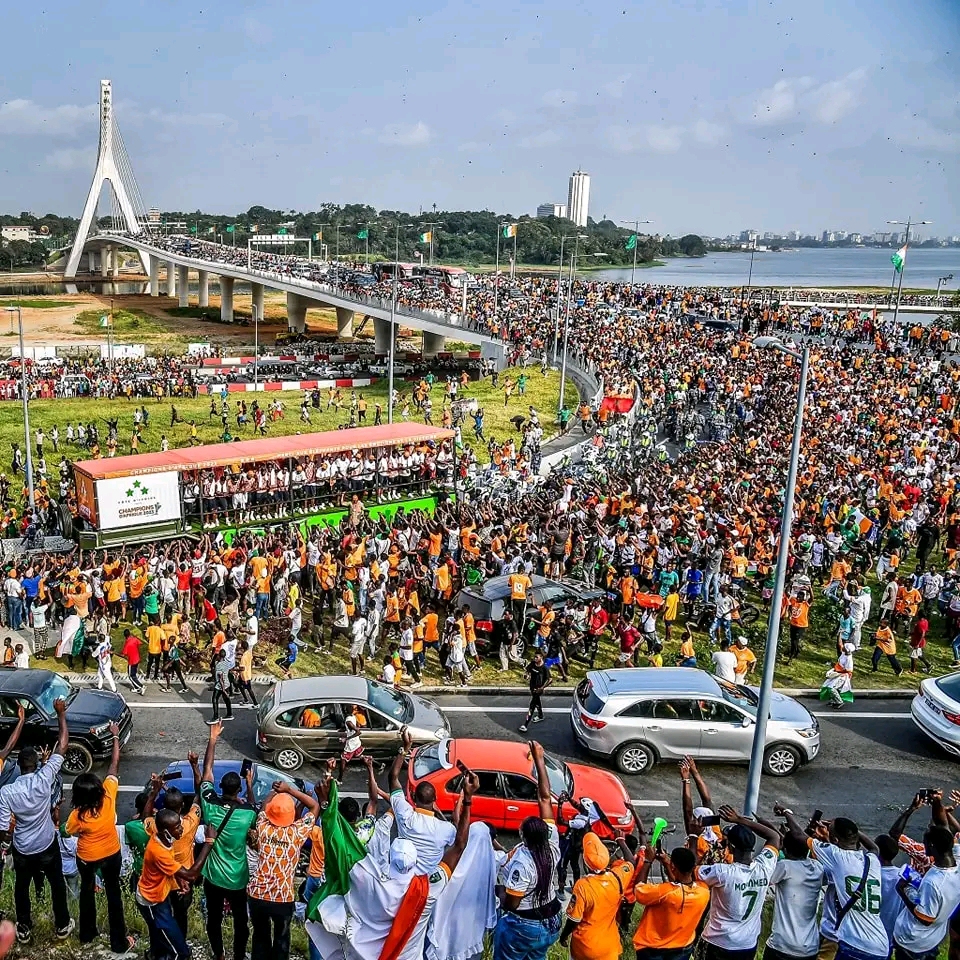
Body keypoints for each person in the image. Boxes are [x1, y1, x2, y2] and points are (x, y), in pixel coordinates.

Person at [306, 756, 476, 960]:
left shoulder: (368, 879)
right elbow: (459, 845)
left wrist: (326, 803)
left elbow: (340, 847)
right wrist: (467, 797)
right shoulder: (427, 891)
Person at [0, 698, 73, 945]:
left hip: (22, 848)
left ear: (20, 767)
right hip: (46, 844)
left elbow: (3, 831)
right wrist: (61, 714)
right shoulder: (44, 779)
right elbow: (62, 746)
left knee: (22, 888)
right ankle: (62, 924)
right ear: (35, 764)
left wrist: (7, 841)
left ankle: (23, 927)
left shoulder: (7, 792)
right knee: (57, 884)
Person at [781, 809, 890, 960]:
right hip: (880, 945)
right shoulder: (872, 861)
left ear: (836, 841)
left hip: (855, 944)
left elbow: (800, 836)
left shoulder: (837, 855)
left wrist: (786, 813)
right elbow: (874, 848)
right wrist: (852, 831)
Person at [65, 720, 133, 955]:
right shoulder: (108, 797)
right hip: (111, 854)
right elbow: (114, 764)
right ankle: (119, 942)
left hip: (86, 857)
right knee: (114, 894)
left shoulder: (77, 815)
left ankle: (87, 933)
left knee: (86, 891)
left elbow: (67, 831)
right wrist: (115, 737)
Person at [493, 741, 562, 960]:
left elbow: (512, 903)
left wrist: (497, 889)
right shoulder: (551, 842)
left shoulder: (522, 864)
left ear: (523, 836)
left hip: (525, 926)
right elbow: (544, 797)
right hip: (551, 921)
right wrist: (539, 759)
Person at [199, 720, 258, 960]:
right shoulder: (247, 814)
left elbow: (206, 772)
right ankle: (239, 955)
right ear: (239, 792)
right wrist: (250, 784)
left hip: (213, 876)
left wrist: (212, 739)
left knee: (213, 919)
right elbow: (254, 808)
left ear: (220, 787)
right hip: (238, 878)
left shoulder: (210, 804)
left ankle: (218, 955)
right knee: (241, 921)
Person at [695, 805, 782, 960]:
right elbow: (774, 836)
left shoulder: (722, 872)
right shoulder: (765, 866)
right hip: (747, 944)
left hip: (718, 942)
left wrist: (694, 837)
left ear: (731, 847)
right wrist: (740, 820)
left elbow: (691, 870)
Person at [248, 779, 320, 960]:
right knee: (282, 939)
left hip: (257, 894)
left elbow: (264, 807)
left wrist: (274, 791)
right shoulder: (296, 832)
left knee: (260, 937)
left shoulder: (263, 826)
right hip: (282, 897)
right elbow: (314, 807)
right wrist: (290, 790)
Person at [137, 808, 217, 960]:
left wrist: (179, 880)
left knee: (159, 933)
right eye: (177, 827)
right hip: (151, 901)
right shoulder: (158, 850)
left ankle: (155, 954)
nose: (182, 829)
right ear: (166, 831)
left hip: (160, 895)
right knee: (177, 948)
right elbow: (192, 874)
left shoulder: (166, 839)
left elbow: (171, 867)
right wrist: (209, 843)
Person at [143, 754, 202, 939]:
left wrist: (154, 792)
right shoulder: (190, 822)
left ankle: (164, 944)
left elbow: (145, 816)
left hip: (162, 883)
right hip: (181, 882)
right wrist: (194, 766)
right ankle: (180, 945)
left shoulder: (157, 827)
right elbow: (200, 795)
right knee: (181, 917)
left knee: (163, 918)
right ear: (182, 805)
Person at [388, 727, 457, 872]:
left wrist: (405, 748)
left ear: (413, 798)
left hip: (403, 876)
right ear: (435, 799)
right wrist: (440, 814)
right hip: (429, 884)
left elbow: (393, 777)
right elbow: (458, 842)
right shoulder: (445, 828)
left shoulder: (405, 814)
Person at [559, 831, 635, 960]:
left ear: (585, 861)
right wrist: (620, 840)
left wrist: (564, 936)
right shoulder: (617, 878)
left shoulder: (582, 886)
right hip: (609, 948)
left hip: (584, 948)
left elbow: (574, 920)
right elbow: (631, 861)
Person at [893, 824, 960, 960]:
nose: (924, 846)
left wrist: (902, 891)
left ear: (932, 846)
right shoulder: (957, 862)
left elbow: (926, 918)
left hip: (914, 942)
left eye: (925, 843)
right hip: (933, 939)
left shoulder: (933, 881)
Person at [631, 844, 711, 960]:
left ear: (674, 866)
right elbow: (681, 885)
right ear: (694, 867)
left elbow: (638, 890)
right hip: (683, 948)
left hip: (653, 949)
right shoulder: (704, 891)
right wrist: (667, 863)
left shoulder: (664, 892)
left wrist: (647, 860)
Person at [765, 829, 825, 960]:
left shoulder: (785, 867)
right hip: (809, 947)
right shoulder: (818, 867)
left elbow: (762, 879)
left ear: (785, 850)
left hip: (782, 945)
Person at [520, 650, 550, 733]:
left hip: (538, 689)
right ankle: (540, 716)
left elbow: (550, 680)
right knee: (537, 701)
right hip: (532, 687)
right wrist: (526, 675)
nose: (535, 658)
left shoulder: (544, 668)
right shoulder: (533, 664)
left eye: (537, 657)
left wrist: (542, 688)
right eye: (534, 656)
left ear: (541, 657)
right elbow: (527, 671)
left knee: (532, 705)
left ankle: (525, 724)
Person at [210, 648, 234, 723]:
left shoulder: (218, 665)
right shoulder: (227, 662)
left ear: (219, 656)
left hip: (220, 685)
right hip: (227, 683)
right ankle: (229, 714)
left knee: (214, 699)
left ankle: (215, 717)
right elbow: (229, 670)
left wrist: (222, 688)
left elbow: (220, 678)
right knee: (226, 699)